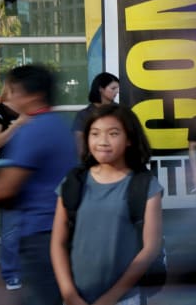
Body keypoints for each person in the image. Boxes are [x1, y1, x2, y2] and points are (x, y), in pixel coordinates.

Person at [0, 64, 78, 305]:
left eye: (14, 89)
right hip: (61, 227)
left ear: (33, 95)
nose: (9, 95)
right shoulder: (60, 125)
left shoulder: (33, 130)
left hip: (41, 232)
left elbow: (7, 187)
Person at [51, 104, 163, 305]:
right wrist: (69, 294)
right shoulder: (73, 182)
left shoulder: (144, 185)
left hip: (125, 299)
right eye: (95, 134)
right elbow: (58, 242)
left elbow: (150, 249)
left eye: (113, 133)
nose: (102, 142)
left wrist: (110, 299)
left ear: (129, 139)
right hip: (76, 298)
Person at [0, 80, 24, 291]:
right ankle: (11, 273)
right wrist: (18, 124)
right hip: (8, 173)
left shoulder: (32, 110)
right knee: (11, 229)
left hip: (32, 172)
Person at [72, 72, 120, 154]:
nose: (117, 91)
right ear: (101, 89)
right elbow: (79, 142)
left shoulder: (121, 111)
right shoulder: (84, 115)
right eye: (113, 88)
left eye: (118, 88)